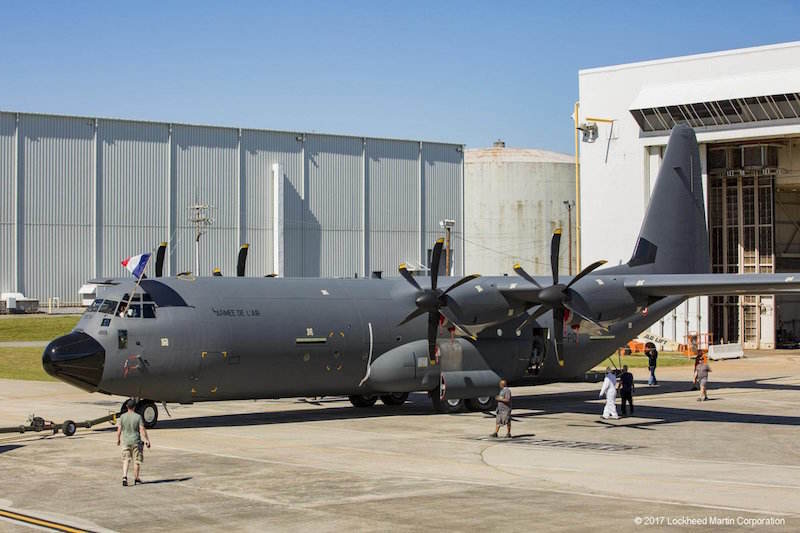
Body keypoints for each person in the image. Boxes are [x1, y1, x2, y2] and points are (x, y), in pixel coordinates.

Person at [116, 399, 151, 486]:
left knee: (126, 460)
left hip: (126, 441)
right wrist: (147, 440)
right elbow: (142, 429)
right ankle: (136, 478)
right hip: (136, 441)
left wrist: (118, 439)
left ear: (127, 407)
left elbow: (119, 429)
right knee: (137, 461)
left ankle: (124, 477)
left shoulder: (122, 417)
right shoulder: (138, 417)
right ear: (134, 407)